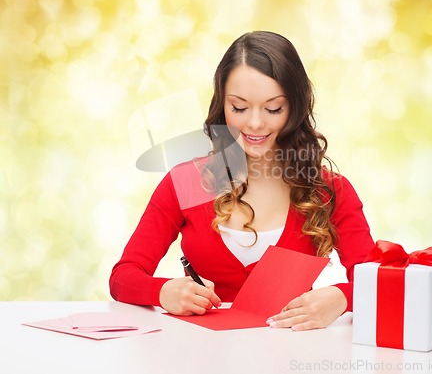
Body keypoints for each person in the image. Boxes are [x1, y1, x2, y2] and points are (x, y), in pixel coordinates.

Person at [109, 31, 374, 331]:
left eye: (274, 108)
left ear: (295, 108)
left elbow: (378, 282)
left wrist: (342, 297)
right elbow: (122, 277)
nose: (255, 123)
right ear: (222, 105)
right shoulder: (184, 182)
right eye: (239, 107)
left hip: (293, 356)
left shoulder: (329, 189)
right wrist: (162, 291)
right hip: (203, 357)